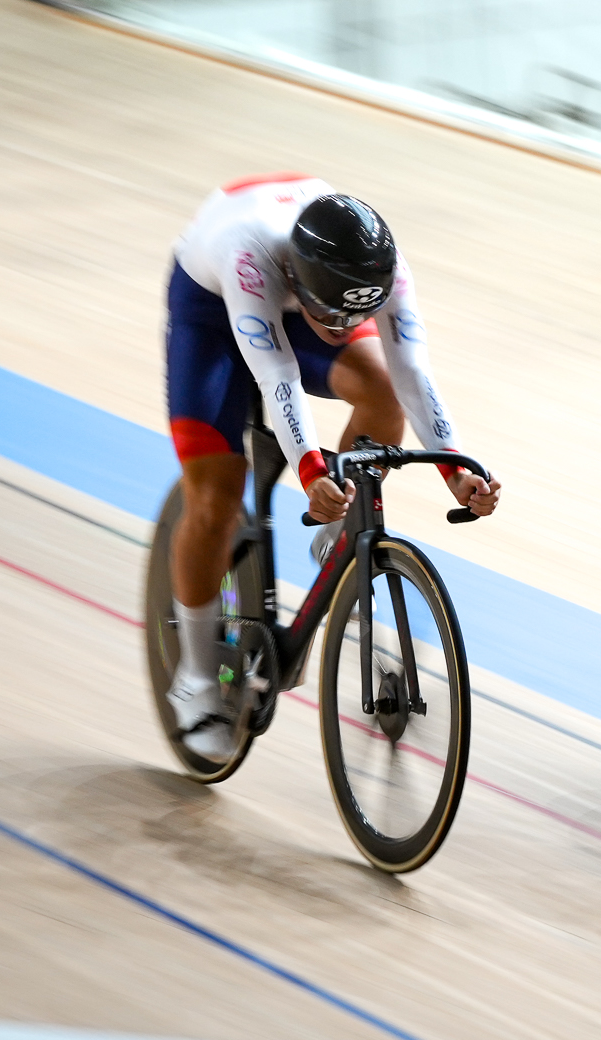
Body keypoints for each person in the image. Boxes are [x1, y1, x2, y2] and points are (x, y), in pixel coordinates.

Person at [165, 173, 500, 762]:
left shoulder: (380, 272)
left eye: (355, 319)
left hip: (307, 294)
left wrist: (457, 471)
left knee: (380, 387)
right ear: (297, 277)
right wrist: (313, 471)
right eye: (334, 321)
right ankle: (195, 679)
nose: (343, 333)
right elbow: (277, 377)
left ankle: (332, 544)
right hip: (214, 309)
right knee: (216, 500)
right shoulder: (250, 253)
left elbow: (412, 376)